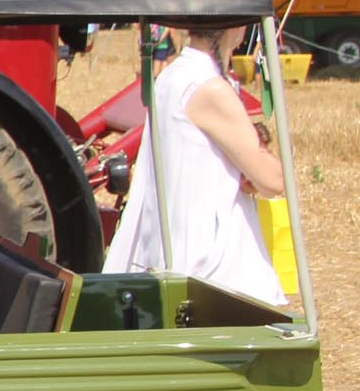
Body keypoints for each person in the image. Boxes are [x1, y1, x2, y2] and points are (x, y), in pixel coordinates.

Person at [103, 16, 286, 303]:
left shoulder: (172, 75)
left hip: (171, 249)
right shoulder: (209, 87)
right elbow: (273, 180)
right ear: (234, 27)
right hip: (212, 267)